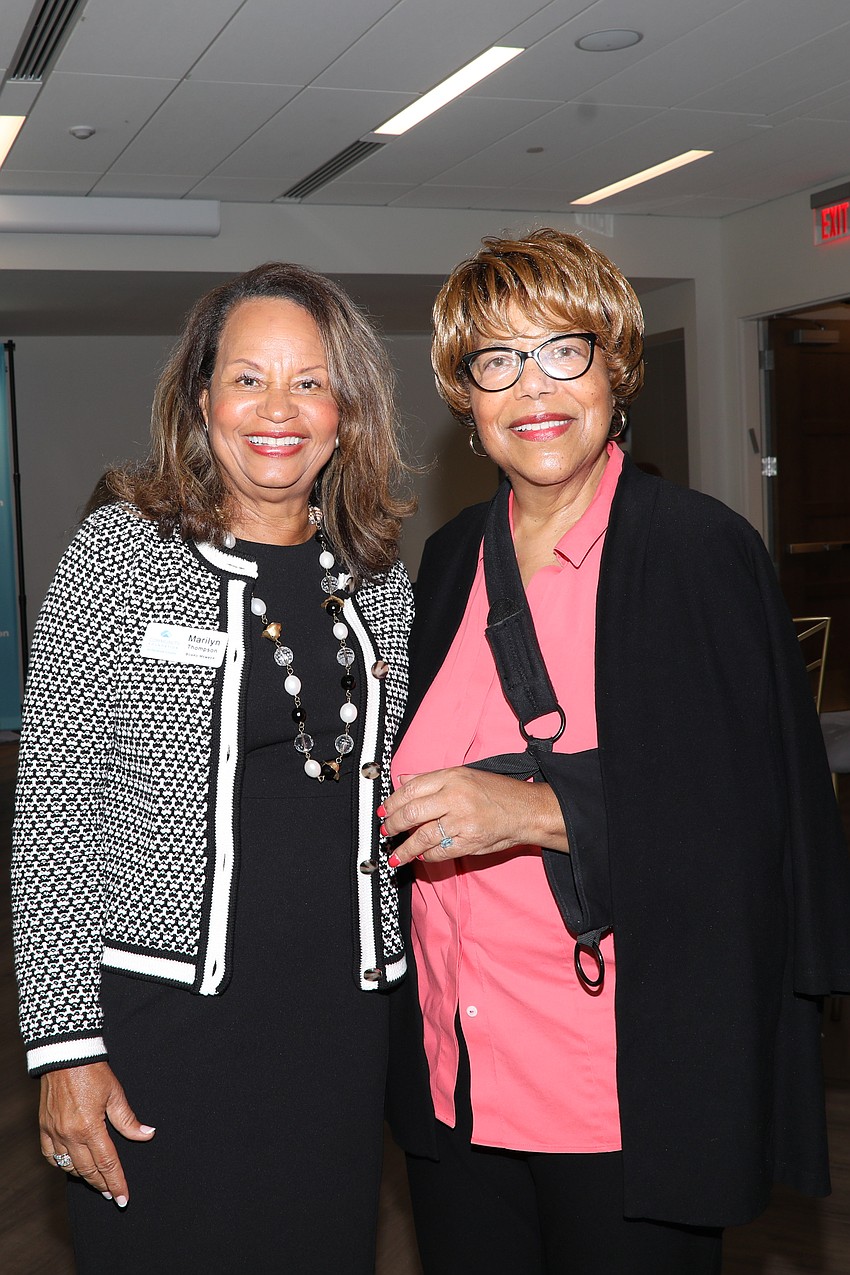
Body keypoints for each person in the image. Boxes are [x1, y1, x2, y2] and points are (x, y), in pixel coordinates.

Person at [382, 228, 850, 1274]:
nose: (532, 387)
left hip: (615, 1082)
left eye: (564, 349)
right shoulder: (454, 558)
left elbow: (754, 819)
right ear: (466, 397)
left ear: (614, 367)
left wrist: (535, 812)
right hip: (455, 1068)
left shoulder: (692, 549)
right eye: (495, 360)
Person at [11, 262, 414, 1273]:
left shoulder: (380, 581)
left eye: (310, 381)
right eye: (248, 378)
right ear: (202, 398)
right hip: (166, 1032)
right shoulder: (122, 554)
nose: (279, 410)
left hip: (341, 1026)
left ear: (346, 408)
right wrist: (65, 1048)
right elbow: (54, 814)